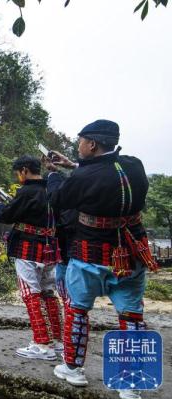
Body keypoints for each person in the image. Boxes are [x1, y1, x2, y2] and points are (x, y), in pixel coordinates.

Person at [45, 120, 158, 398]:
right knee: (131, 316)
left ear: (92, 144)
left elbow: (59, 198)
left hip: (90, 256)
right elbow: (106, 173)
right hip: (131, 254)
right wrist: (74, 165)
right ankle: (131, 386)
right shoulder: (134, 165)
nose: (78, 145)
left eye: (81, 141)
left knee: (77, 310)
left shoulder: (84, 178)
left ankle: (73, 368)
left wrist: (53, 176)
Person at [0, 156, 62, 361]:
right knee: (48, 293)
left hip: (27, 249)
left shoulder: (27, 191)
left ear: (24, 170)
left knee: (30, 293)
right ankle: (57, 341)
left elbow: (6, 215)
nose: (18, 177)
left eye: (18, 173)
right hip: (50, 248)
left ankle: (42, 344)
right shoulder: (53, 189)